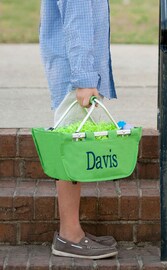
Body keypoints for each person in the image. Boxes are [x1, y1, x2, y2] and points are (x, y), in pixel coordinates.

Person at [39, 0, 118, 259]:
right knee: (71, 153)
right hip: (76, 78)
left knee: (74, 151)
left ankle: (74, 231)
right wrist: (84, 79)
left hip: (75, 73)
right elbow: (78, 25)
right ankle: (69, 236)